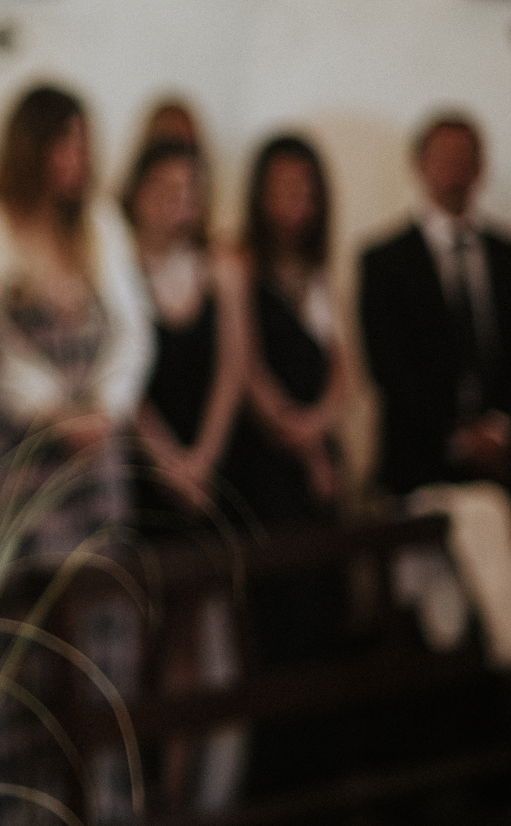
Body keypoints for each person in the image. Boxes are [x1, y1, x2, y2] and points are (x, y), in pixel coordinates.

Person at [0, 83, 152, 826]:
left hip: (93, 460)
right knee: (16, 639)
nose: (76, 159)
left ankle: (99, 808)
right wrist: (51, 410)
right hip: (17, 454)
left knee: (97, 640)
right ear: (31, 147)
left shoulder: (100, 223)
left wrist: (106, 406)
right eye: (64, 142)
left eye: (83, 143)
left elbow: (133, 330)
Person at [119, 137, 250, 814]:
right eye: (168, 190)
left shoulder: (219, 271)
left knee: (188, 633)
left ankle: (177, 785)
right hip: (139, 472)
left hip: (202, 472)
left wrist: (202, 460)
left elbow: (232, 370)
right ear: (139, 193)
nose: (181, 203)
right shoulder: (120, 266)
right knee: (136, 630)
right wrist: (167, 460)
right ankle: (134, 782)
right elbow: (124, 379)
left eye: (191, 191)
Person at [225, 133, 356, 798]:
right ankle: (278, 784)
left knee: (328, 609)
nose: (296, 200)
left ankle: (324, 777)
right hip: (267, 468)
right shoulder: (242, 269)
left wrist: (322, 428)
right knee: (281, 618)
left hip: (319, 462)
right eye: (284, 187)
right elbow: (247, 372)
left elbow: (343, 367)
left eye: (306, 187)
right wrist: (301, 439)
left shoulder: (319, 273)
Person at [359, 114, 511, 499]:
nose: (455, 168)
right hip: (418, 463)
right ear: (420, 165)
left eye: (465, 157)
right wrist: (457, 439)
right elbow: (388, 366)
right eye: (444, 156)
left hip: (505, 462)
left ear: (480, 168)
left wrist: (498, 430)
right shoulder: (384, 262)